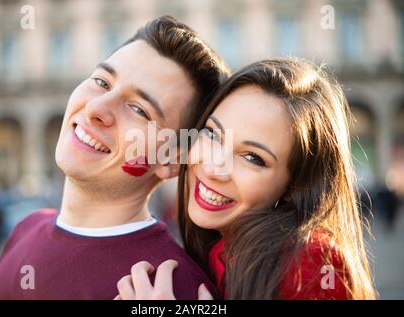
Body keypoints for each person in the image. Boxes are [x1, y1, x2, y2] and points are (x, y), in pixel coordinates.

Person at [0, 16, 229, 299]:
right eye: (102, 81)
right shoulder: (26, 228)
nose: (96, 108)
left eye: (139, 110)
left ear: (172, 161)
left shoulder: (171, 288)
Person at [116, 58, 376, 300]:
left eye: (252, 158)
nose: (212, 168)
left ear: (294, 185)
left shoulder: (311, 261)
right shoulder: (221, 251)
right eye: (213, 135)